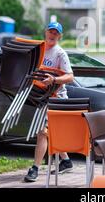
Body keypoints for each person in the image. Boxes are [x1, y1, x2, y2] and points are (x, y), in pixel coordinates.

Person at [24, 21, 75, 182]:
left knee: (42, 133)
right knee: (50, 132)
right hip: (40, 96)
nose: (52, 35)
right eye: (50, 31)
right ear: (45, 32)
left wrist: (54, 79)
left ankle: (35, 169)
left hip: (56, 99)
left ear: (59, 36)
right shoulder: (38, 50)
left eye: (56, 33)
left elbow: (70, 76)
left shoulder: (60, 53)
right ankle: (66, 161)